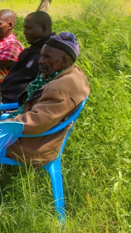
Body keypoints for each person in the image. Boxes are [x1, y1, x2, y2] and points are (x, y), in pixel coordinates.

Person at [6, 31, 90, 167]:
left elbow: (36, 122)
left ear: (64, 60)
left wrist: (1, 125)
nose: (40, 61)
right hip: (36, 139)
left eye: (46, 57)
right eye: (41, 56)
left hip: (31, 148)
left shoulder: (60, 88)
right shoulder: (73, 73)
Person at [0, 11, 52, 103]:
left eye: (28, 28)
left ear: (44, 28)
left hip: (9, 104)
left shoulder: (49, 55)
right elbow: (10, 80)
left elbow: (30, 90)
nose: (24, 32)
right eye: (24, 28)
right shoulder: (29, 51)